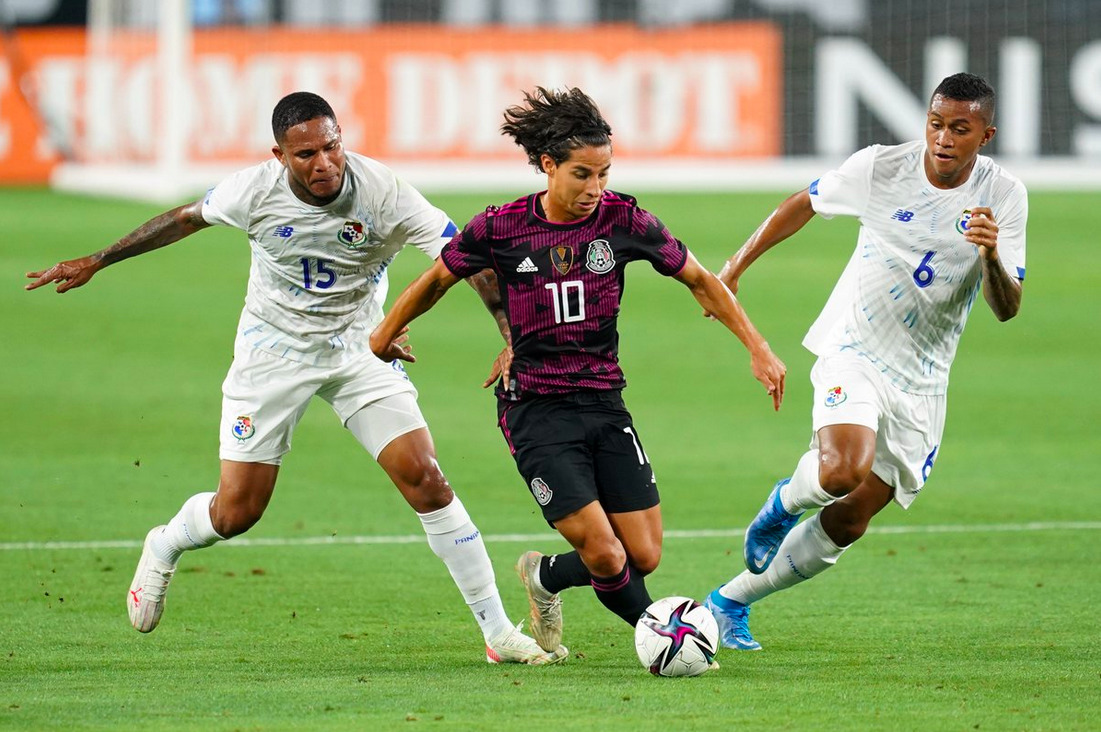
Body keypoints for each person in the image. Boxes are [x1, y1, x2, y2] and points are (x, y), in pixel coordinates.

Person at [25, 91, 567, 666]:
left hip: (360, 348)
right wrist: (98, 259)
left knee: (426, 477)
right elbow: (184, 219)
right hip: (272, 354)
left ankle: (498, 633)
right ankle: (165, 542)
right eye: (306, 153)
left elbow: (465, 258)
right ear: (280, 155)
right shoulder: (252, 190)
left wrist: (512, 337)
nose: (324, 163)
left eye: (332, 146)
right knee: (238, 513)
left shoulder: (383, 191)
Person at [368, 87, 787, 652]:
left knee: (643, 554)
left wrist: (758, 347)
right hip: (535, 411)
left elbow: (700, 279)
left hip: (604, 403)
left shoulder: (624, 220)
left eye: (604, 174)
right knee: (608, 554)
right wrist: (383, 333)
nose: (596, 189)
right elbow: (436, 280)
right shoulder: (501, 228)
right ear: (548, 166)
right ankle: (668, 638)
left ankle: (544, 577)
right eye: (582, 174)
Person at [703, 72, 1026, 651]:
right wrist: (735, 266)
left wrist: (992, 255)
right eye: (935, 124)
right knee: (840, 470)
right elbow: (802, 202)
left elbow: (1007, 308)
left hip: (924, 378)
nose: (943, 139)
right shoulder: (882, 167)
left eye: (960, 129)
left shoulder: (1004, 196)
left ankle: (729, 602)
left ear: (986, 135)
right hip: (856, 346)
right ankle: (783, 503)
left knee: (851, 518)